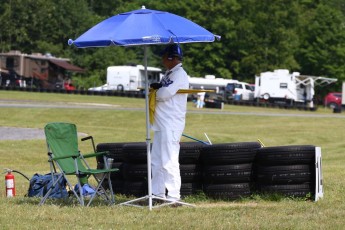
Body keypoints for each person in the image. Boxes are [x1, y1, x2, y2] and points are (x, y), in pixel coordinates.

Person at [149, 44, 189, 202]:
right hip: (161, 124)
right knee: (156, 161)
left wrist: (156, 91)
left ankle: (173, 197)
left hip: (171, 124)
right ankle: (157, 194)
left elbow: (164, 94)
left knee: (169, 160)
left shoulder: (179, 74)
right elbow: (162, 90)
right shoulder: (169, 74)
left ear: (171, 58)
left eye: (164, 56)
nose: (162, 59)